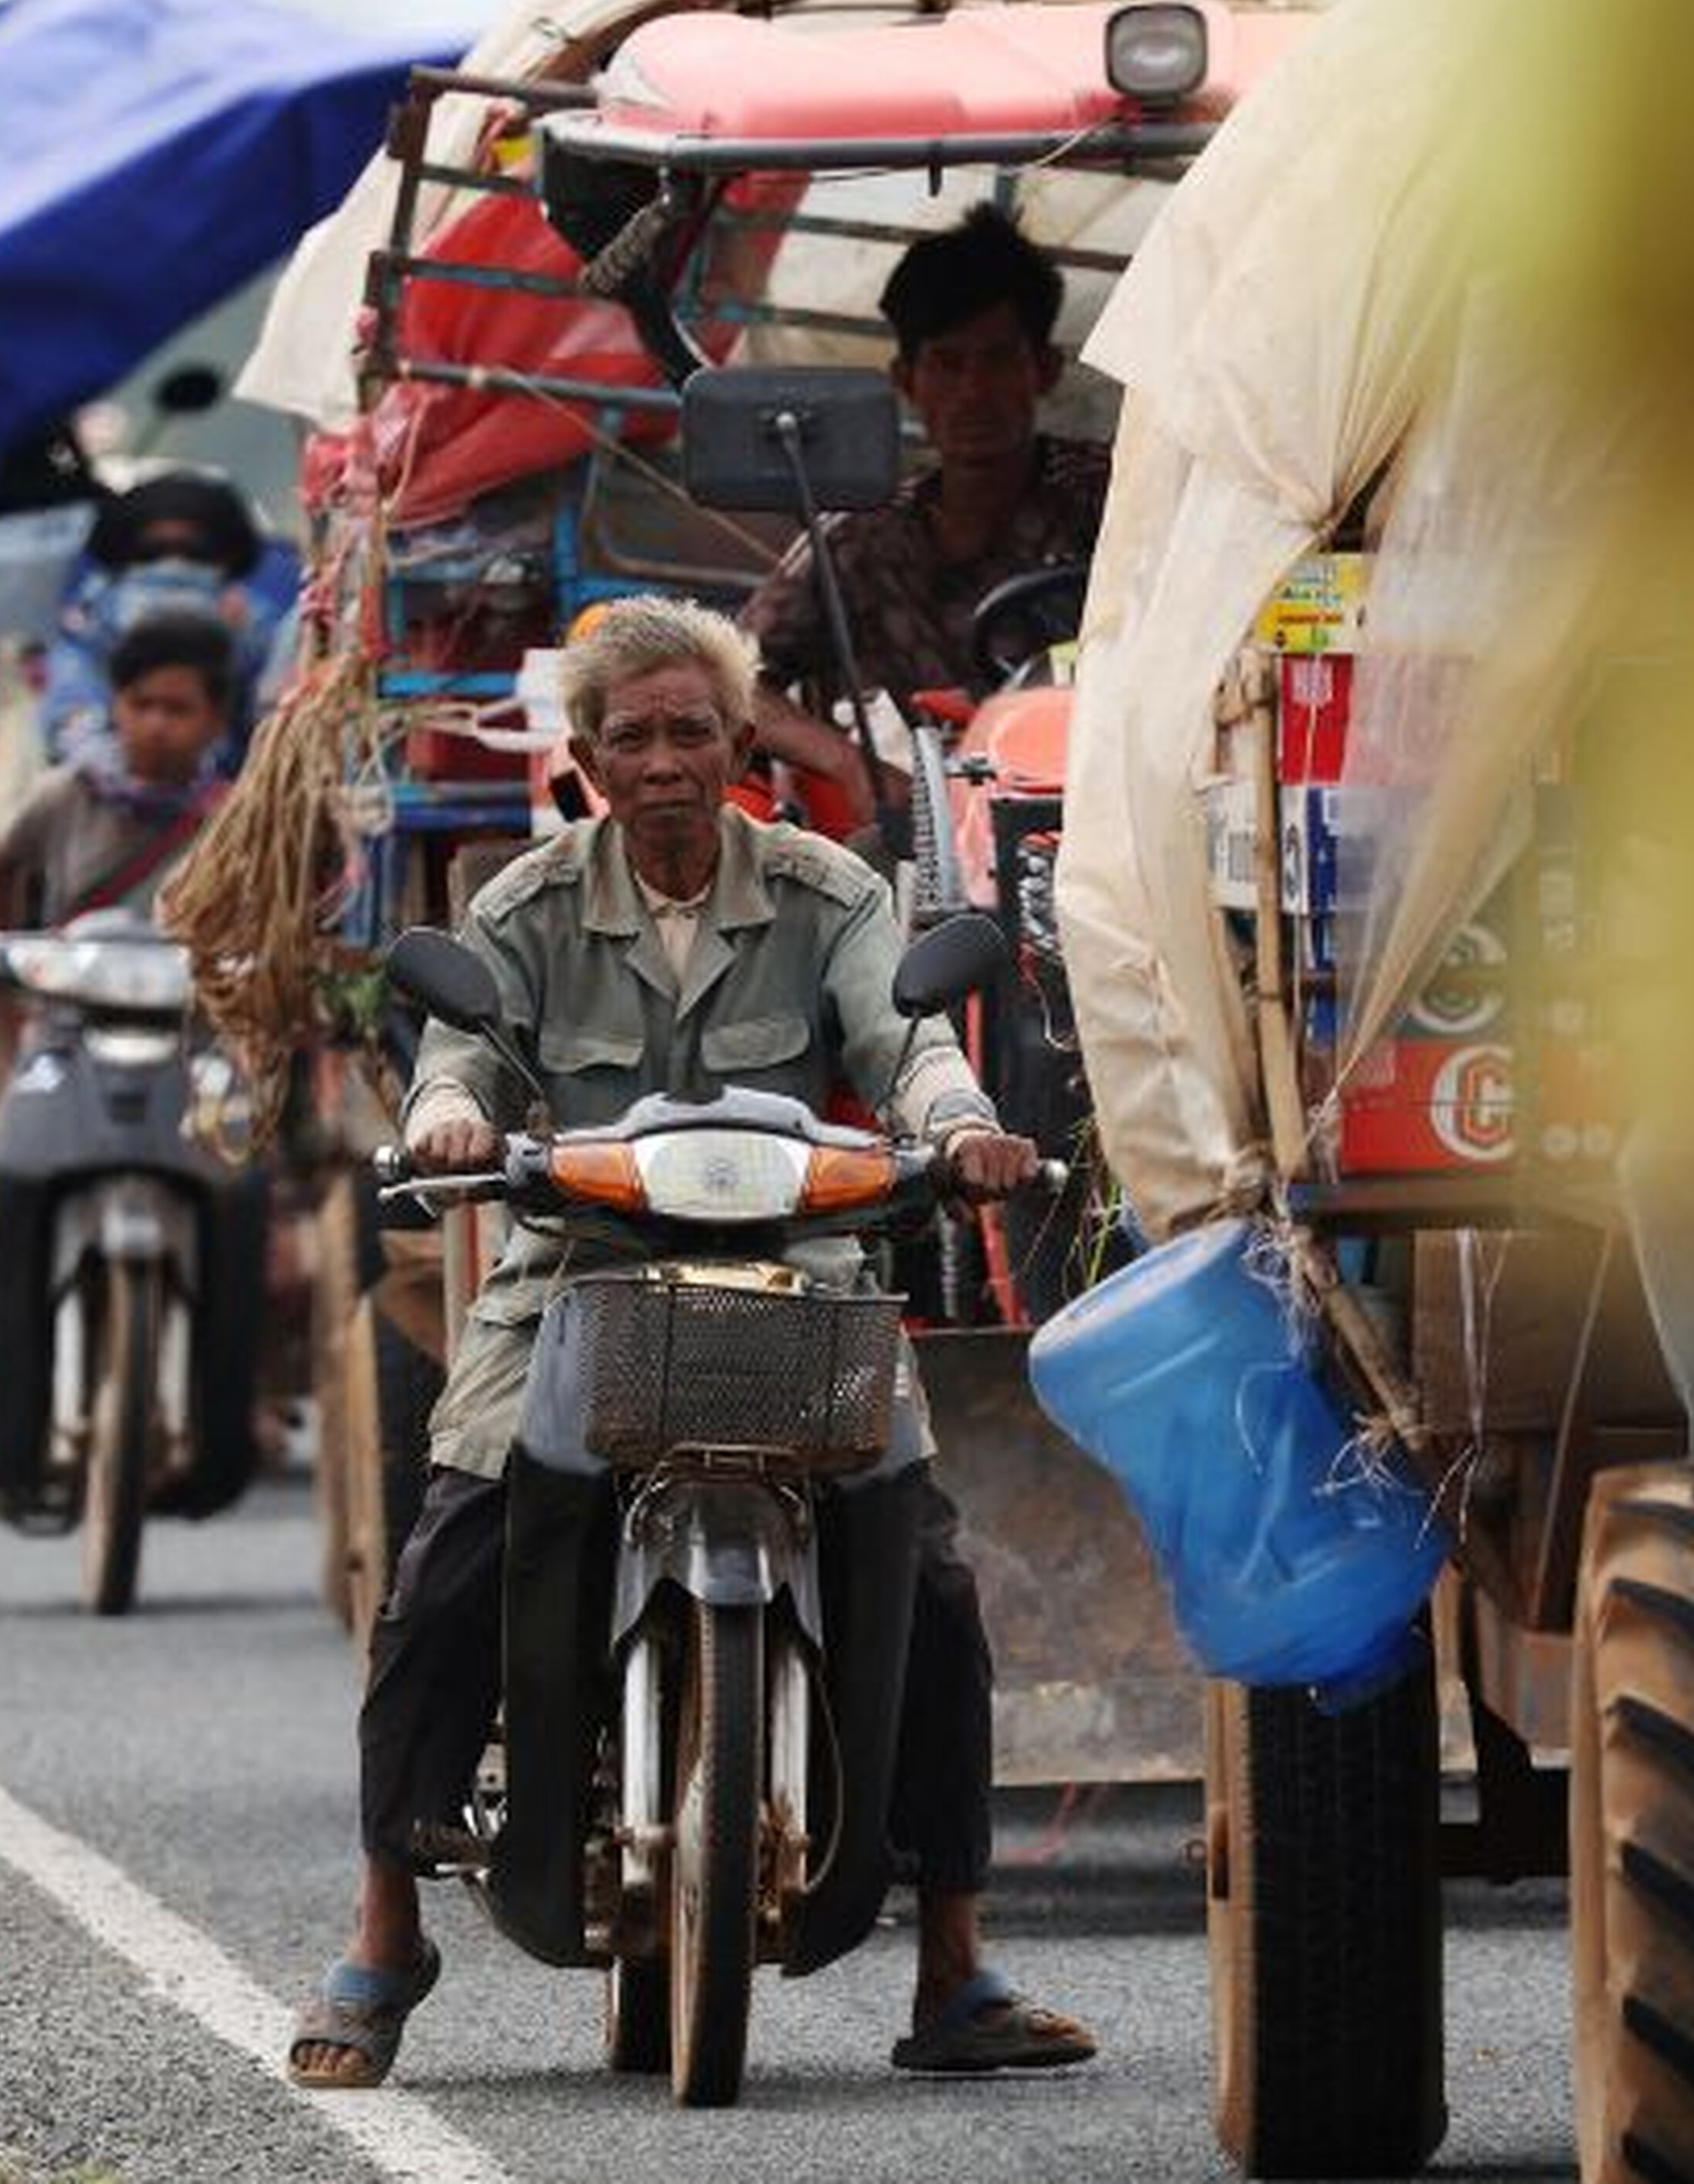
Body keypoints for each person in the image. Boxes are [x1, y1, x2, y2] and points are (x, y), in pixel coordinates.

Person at [286, 595, 1096, 2090]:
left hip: (804, 1279)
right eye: (632, 736)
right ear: (584, 758)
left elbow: (903, 1037)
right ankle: (388, 1928)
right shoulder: (525, 907)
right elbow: (460, 1053)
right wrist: (450, 1116)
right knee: (448, 1564)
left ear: (741, 747)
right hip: (574, 1282)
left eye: (693, 731)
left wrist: (960, 1124)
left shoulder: (832, 892)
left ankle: (958, 1964)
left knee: (924, 1575)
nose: (664, 760)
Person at [0, 610, 236, 1469]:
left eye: (178, 709)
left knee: (245, 1185)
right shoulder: (69, 793)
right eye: (140, 705)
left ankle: (233, 1398)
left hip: (189, 1035)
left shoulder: (233, 814)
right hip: (68, 1032)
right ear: (115, 706)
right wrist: (8, 960)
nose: (156, 725)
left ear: (215, 720)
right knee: (10, 1179)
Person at [740, 205, 1109, 825]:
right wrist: (851, 766)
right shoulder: (861, 537)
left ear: (1042, 370)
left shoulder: (1108, 494)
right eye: (948, 363)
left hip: (1107, 808)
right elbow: (732, 677)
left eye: (998, 361)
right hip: (946, 827)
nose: (974, 392)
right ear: (906, 380)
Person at [42, 471, 278, 763]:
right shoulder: (89, 620)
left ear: (224, 558)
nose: (173, 564)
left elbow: (270, 724)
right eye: (152, 552)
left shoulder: (256, 624)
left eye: (193, 553)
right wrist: (114, 775)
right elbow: (69, 711)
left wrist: (241, 645)